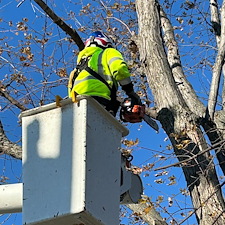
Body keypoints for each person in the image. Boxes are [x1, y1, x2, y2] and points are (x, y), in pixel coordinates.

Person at [68, 31, 141, 116]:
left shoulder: (76, 69)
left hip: (76, 104)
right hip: (100, 100)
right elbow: (120, 69)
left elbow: (70, 89)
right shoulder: (108, 52)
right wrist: (130, 92)